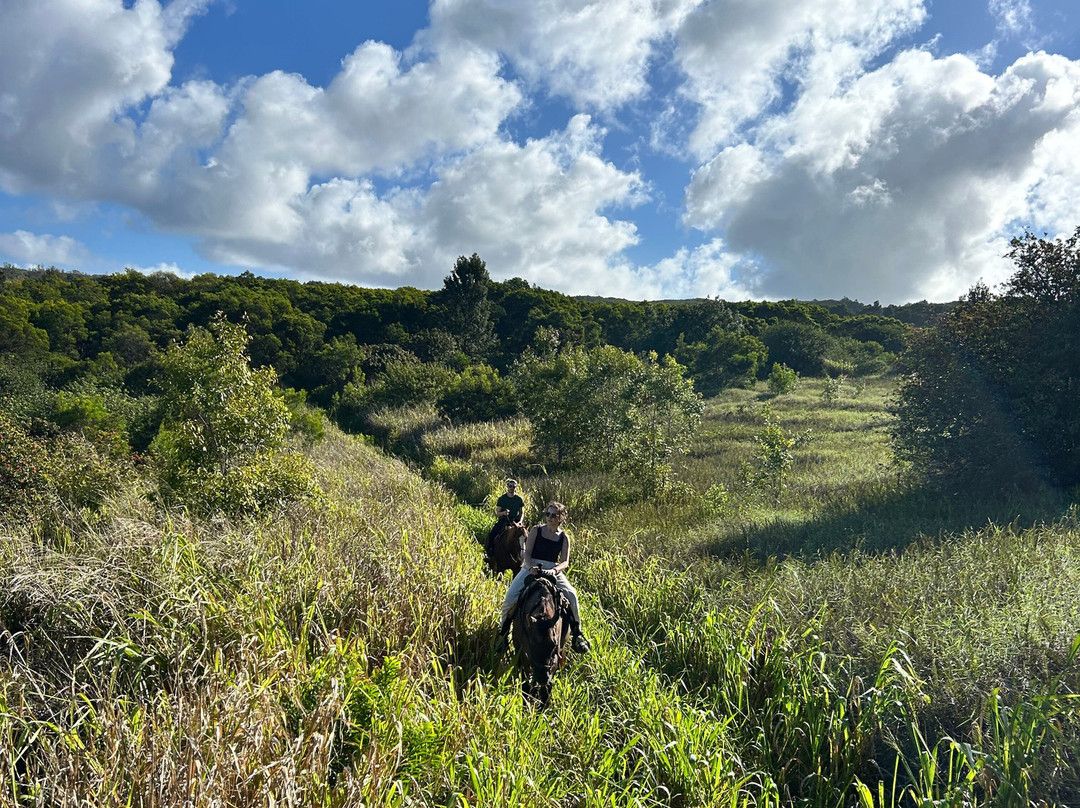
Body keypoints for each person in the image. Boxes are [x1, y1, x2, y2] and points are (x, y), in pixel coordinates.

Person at [494, 501, 590, 655]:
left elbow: (565, 561)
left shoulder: (564, 537)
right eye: (548, 514)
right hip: (531, 567)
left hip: (552, 569)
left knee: (572, 594)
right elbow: (528, 553)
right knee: (510, 598)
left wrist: (555, 570)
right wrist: (531, 567)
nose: (549, 517)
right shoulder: (536, 530)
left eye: (553, 515)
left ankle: (577, 633)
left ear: (561, 518)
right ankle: (502, 634)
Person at [484, 478, 525, 558]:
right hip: (504, 520)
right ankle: (490, 552)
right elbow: (497, 513)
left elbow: (522, 512)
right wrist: (504, 513)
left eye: (513, 486)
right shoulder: (502, 499)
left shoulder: (519, 499)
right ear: (507, 487)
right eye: (510, 486)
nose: (512, 488)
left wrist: (520, 521)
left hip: (515, 521)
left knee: (525, 535)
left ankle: (526, 555)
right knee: (493, 533)